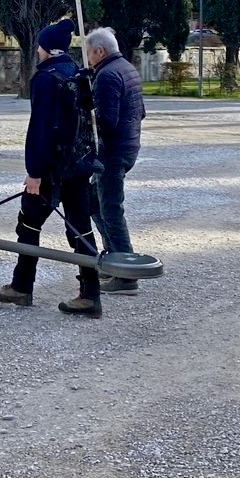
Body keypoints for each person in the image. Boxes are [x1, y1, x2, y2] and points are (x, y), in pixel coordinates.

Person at [0, 18, 102, 318]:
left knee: (28, 223)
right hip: (79, 165)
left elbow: (41, 129)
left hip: (53, 168)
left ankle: (21, 287)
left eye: (39, 46)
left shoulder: (46, 79)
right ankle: (91, 294)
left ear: (47, 49)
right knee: (80, 228)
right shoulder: (79, 74)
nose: (37, 51)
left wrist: (34, 172)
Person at [84, 27, 146, 295]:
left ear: (100, 51)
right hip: (128, 146)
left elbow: (106, 121)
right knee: (94, 203)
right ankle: (112, 260)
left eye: (88, 54)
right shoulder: (127, 68)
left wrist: (87, 116)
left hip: (112, 152)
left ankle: (126, 273)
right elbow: (141, 112)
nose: (88, 60)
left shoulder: (107, 76)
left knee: (110, 208)